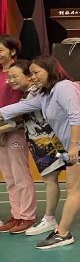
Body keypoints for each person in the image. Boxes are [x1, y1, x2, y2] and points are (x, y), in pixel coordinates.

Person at [2, 54, 80, 247]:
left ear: (50, 70)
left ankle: (63, 233)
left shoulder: (64, 88)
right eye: (31, 73)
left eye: (36, 72)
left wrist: (74, 147)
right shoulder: (46, 93)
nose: (33, 77)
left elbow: (75, 117)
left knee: (73, 188)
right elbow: (22, 107)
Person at [0, 60, 65, 236]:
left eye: (15, 76)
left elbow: (17, 119)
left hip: (50, 141)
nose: (10, 80)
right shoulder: (27, 94)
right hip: (38, 141)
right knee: (13, 179)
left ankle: (33, 217)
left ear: (28, 76)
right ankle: (18, 215)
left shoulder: (35, 93)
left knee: (75, 177)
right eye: (9, 77)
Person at [0, 35, 36, 234]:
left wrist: (7, 127)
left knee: (20, 175)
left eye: (0, 50)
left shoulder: (19, 74)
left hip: (15, 131)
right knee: (9, 177)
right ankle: (17, 214)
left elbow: (22, 109)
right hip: (0, 132)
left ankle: (28, 215)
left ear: (12, 51)